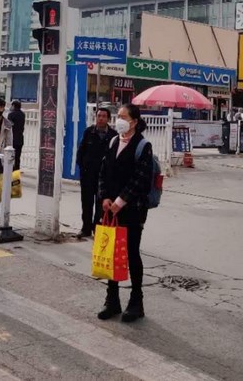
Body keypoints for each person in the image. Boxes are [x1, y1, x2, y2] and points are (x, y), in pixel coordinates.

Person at [98, 103, 154, 323]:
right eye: (118, 116)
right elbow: (104, 172)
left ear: (134, 122)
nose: (119, 120)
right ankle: (112, 299)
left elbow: (141, 179)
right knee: (111, 253)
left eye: (123, 117)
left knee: (131, 253)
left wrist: (121, 201)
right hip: (110, 209)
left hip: (132, 210)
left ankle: (136, 301)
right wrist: (104, 197)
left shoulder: (143, 146)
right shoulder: (114, 141)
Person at [76, 107, 117, 238]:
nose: (101, 119)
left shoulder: (113, 135)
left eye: (104, 116)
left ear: (108, 119)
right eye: (99, 116)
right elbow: (80, 151)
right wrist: (83, 168)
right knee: (86, 203)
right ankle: (85, 229)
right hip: (88, 175)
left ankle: (97, 229)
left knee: (101, 205)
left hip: (104, 177)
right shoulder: (89, 132)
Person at [7, 100, 26, 170]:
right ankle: (17, 170)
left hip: (12, 138)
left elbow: (8, 126)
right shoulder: (22, 114)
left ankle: (10, 169)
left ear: (13, 106)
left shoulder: (11, 115)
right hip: (20, 138)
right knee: (18, 156)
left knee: (10, 156)